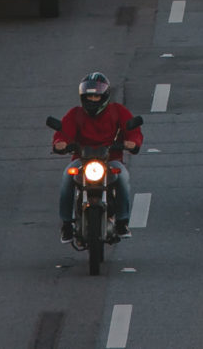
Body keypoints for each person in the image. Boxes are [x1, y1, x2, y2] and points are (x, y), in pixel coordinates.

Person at [52, 73, 142, 244]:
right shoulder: (75, 114)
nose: (93, 99)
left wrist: (132, 142)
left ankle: (122, 222)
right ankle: (66, 224)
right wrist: (60, 143)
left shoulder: (117, 111)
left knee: (123, 177)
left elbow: (133, 131)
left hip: (111, 160)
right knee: (66, 177)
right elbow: (63, 133)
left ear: (105, 96)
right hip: (82, 160)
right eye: (89, 96)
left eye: (97, 96)